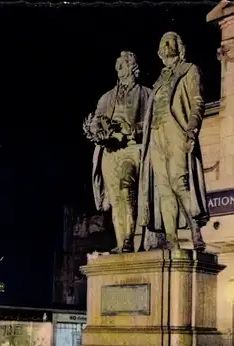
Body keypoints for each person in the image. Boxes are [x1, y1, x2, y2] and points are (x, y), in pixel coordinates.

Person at [138, 32, 209, 251]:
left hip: (176, 130)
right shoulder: (158, 80)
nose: (167, 45)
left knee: (180, 182)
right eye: (163, 43)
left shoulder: (189, 70)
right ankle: (171, 239)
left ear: (180, 46)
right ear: (159, 51)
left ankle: (196, 231)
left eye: (172, 41)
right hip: (155, 135)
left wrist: (192, 130)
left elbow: (198, 102)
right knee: (164, 189)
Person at [84, 51, 151, 253]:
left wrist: (133, 130)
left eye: (123, 65)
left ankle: (129, 240)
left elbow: (152, 123)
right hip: (109, 151)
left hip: (131, 149)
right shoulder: (107, 97)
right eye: (118, 65)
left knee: (126, 187)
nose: (119, 69)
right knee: (115, 199)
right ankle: (121, 241)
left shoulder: (146, 94)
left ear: (132, 67)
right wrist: (96, 130)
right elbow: (97, 119)